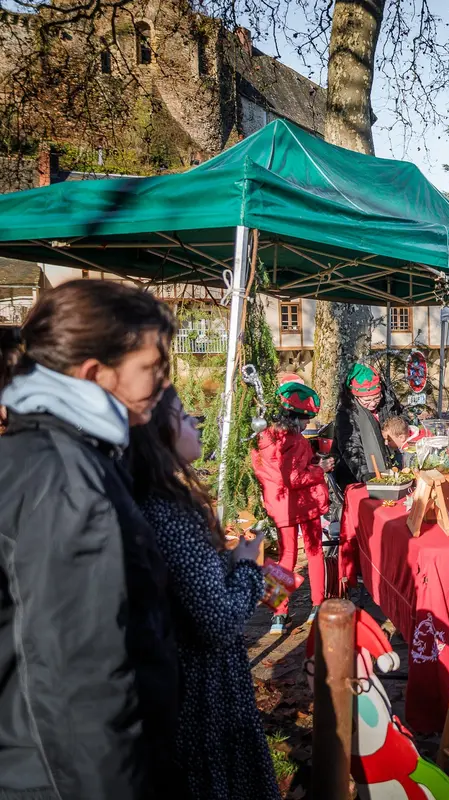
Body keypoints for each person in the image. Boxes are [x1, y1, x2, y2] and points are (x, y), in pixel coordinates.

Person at [0, 280, 178, 799]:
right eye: (151, 368)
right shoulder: (65, 481)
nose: (164, 384)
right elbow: (79, 684)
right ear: (95, 374)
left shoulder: (51, 451)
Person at [129, 387, 280, 800]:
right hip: (204, 692)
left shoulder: (153, 502)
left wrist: (226, 564)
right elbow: (217, 621)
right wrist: (248, 564)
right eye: (181, 417)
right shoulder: (171, 512)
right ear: (157, 437)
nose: (194, 422)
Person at [253, 381, 334, 634]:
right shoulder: (294, 441)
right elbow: (294, 478)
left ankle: (279, 615)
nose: (307, 425)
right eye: (306, 420)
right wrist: (320, 469)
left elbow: (272, 473)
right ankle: (317, 604)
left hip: (279, 505)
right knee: (313, 551)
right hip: (302, 502)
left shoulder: (262, 437)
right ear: (295, 418)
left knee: (285, 556)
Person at [333, 363, 399, 490]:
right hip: (356, 476)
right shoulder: (345, 415)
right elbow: (351, 448)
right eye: (367, 400)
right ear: (355, 396)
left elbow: (400, 417)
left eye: (376, 398)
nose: (373, 403)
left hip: (390, 466)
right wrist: (366, 475)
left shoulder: (387, 401)